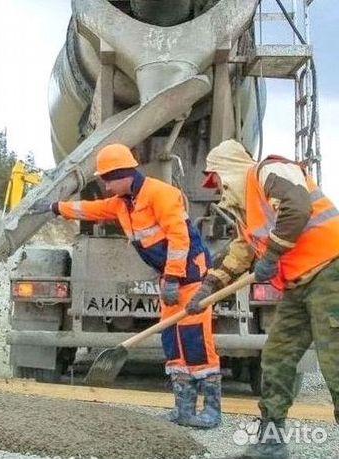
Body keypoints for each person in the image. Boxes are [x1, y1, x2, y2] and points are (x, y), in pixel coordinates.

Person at [29, 143, 221, 428]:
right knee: (173, 345)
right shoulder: (122, 203)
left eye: (107, 179)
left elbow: (180, 239)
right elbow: (89, 209)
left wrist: (172, 276)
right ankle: (184, 410)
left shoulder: (161, 194)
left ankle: (212, 412)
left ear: (124, 174)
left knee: (196, 343)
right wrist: (55, 208)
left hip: (191, 280)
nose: (105, 186)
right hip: (169, 282)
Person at [187, 139, 339, 459]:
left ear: (228, 170)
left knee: (335, 363)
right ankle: (271, 442)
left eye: (216, 180)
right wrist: (206, 290)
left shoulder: (268, 171)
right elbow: (239, 256)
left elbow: (297, 207)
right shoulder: (249, 214)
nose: (218, 190)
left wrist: (271, 254)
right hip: (298, 286)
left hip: (331, 272)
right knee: (275, 358)